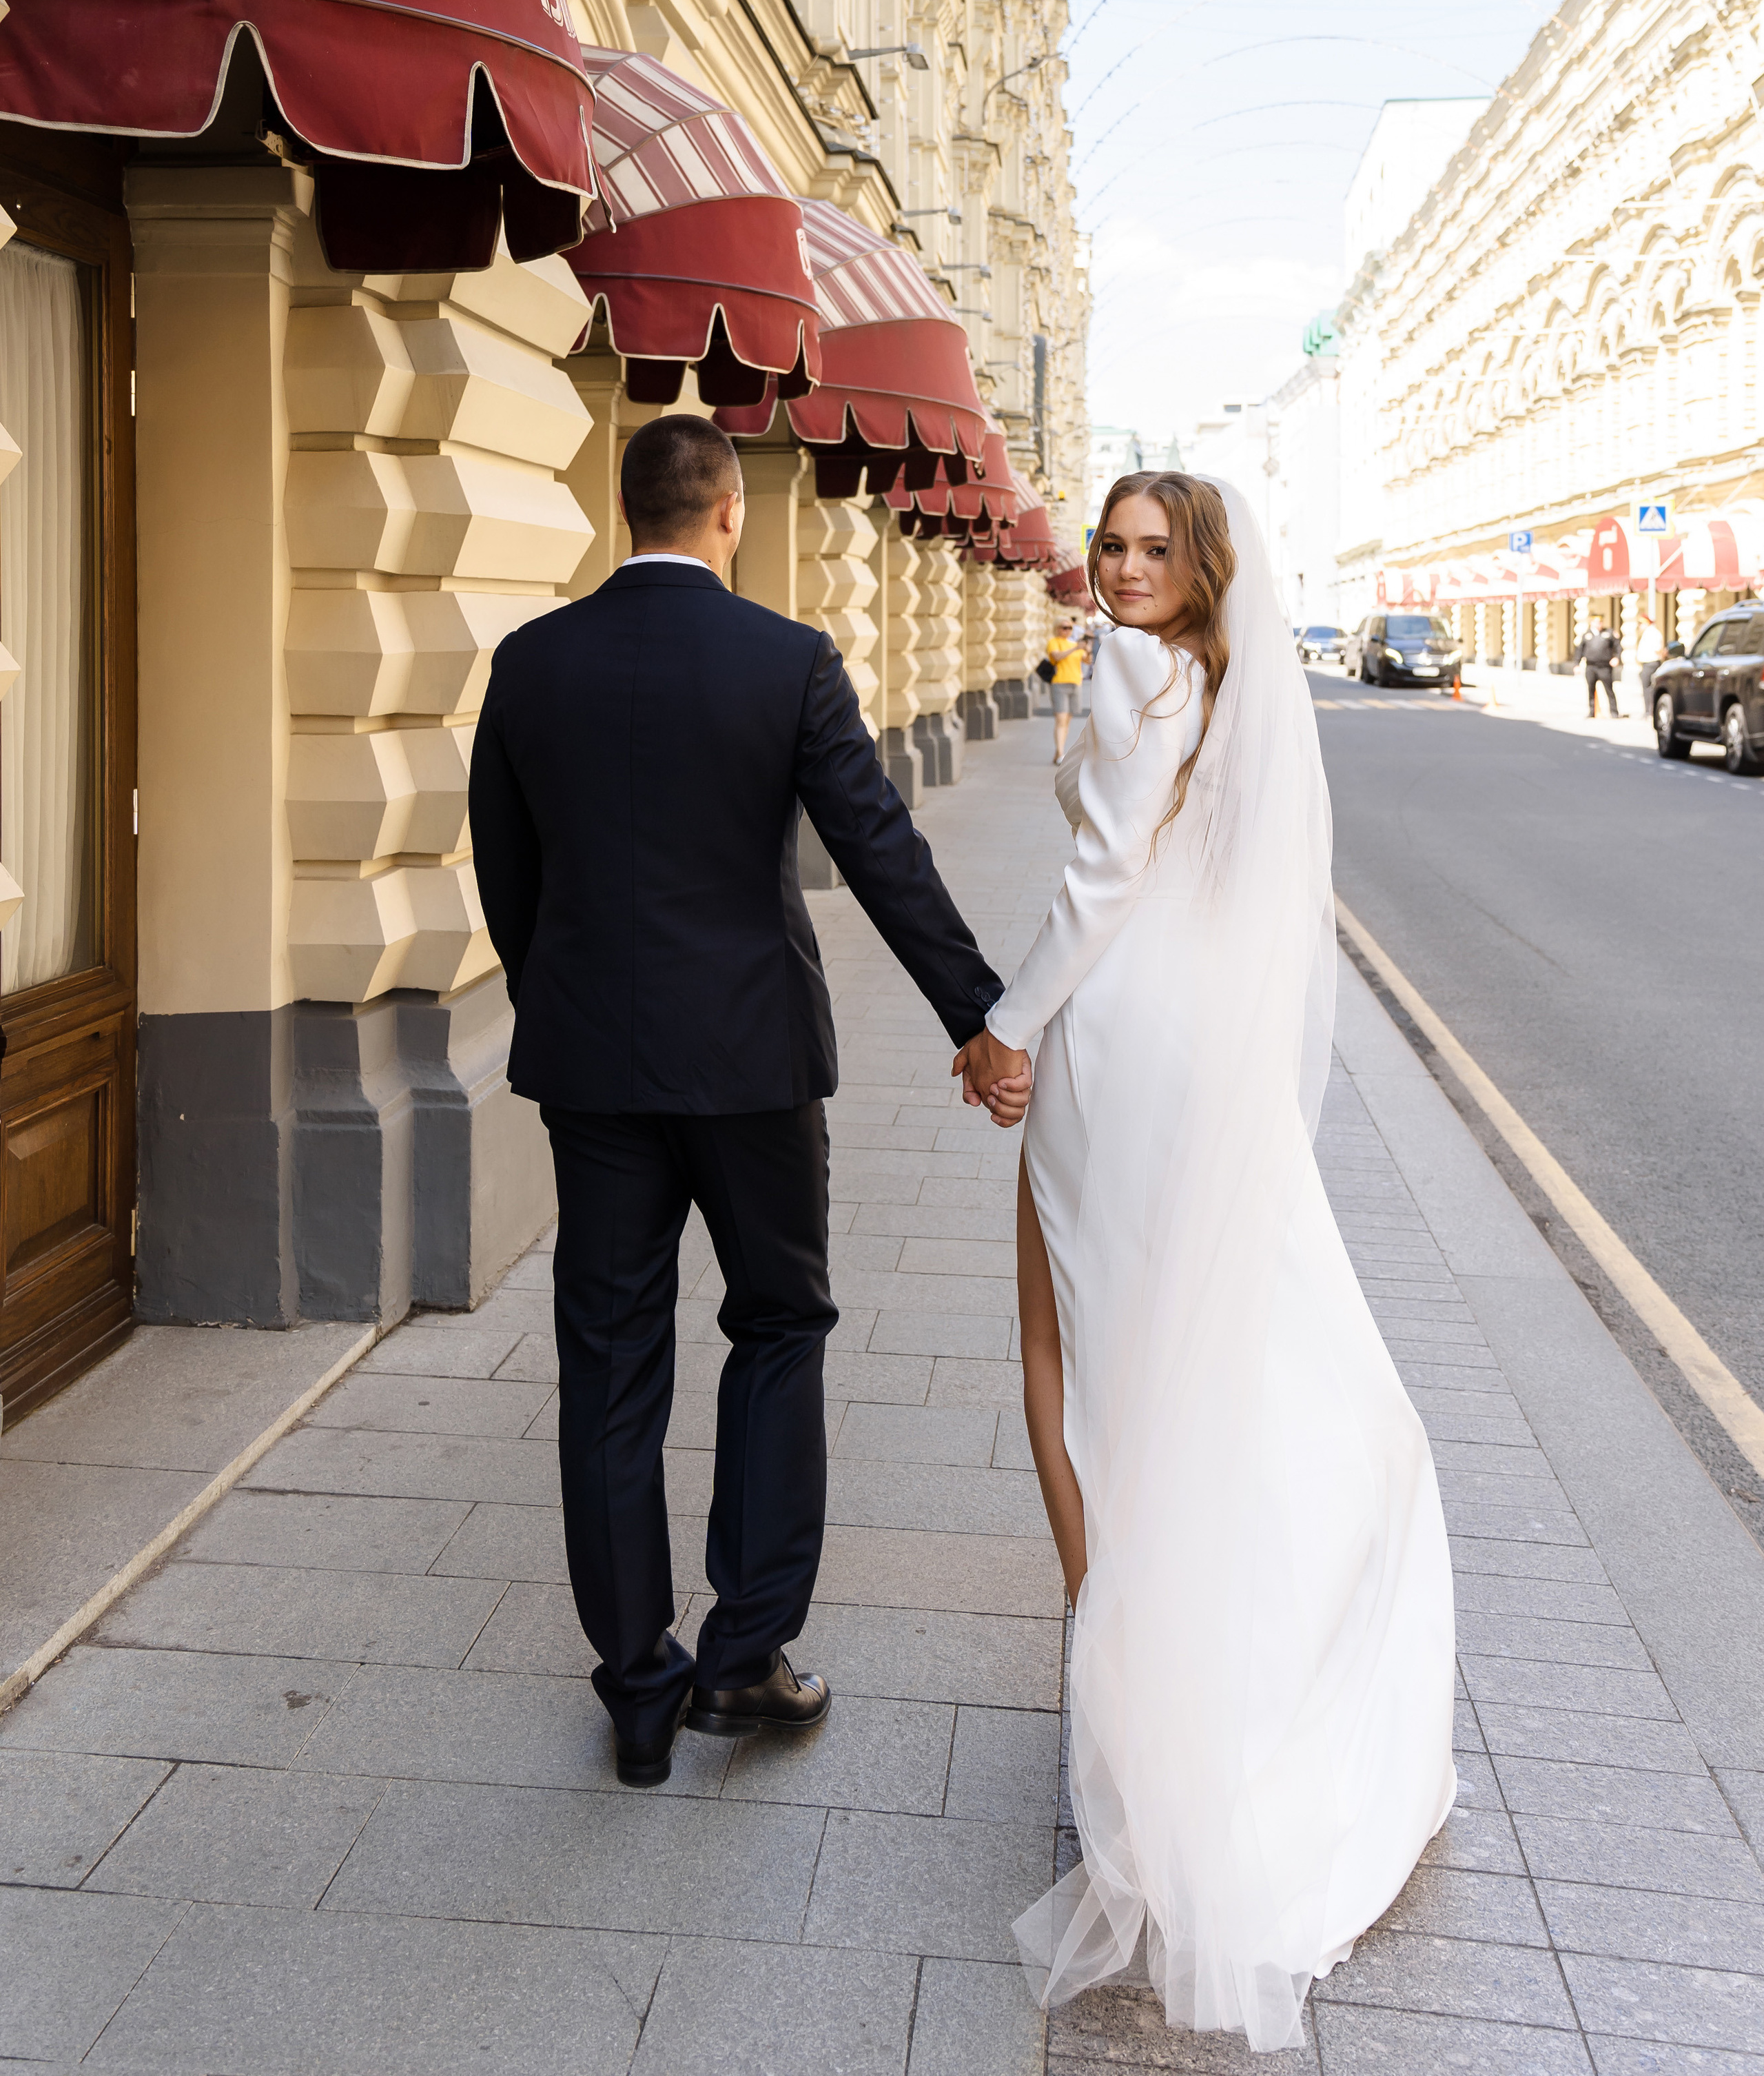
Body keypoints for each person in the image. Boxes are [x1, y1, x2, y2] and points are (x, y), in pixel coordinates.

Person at [470, 414, 1030, 1789]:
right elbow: (878, 846)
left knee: (609, 1360)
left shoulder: (532, 661)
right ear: (729, 513)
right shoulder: (786, 660)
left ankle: (636, 1688)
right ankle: (744, 1656)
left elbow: (505, 867)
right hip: (752, 1065)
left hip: (595, 1070)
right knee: (778, 1324)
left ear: (627, 511)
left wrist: (564, 1000)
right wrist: (979, 1018)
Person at [975, 470, 1456, 2054]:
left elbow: (1099, 878)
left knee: (1064, 1353)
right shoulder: (1211, 677)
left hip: (1114, 1036)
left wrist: (1004, 1025)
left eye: (1148, 549)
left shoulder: (1134, 666)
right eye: (1106, 546)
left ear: (1198, 568)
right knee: (1188, 1347)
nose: (1119, 569)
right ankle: (1180, 1670)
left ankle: (1119, 1680)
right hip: (1197, 1051)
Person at [1044, 617, 1086, 762]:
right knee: (1060, 719)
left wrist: (1087, 649)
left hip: (1076, 684)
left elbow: (1086, 660)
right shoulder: (1054, 642)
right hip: (1059, 684)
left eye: (1070, 628)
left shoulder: (1075, 644)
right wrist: (1075, 648)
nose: (1067, 630)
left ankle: (1059, 751)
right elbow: (1057, 656)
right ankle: (1061, 753)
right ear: (1057, 629)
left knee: (1067, 720)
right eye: (1064, 627)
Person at [1573, 616, 1621, 718]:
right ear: (1592, 623)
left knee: (1609, 690)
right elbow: (1579, 650)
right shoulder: (1587, 635)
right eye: (1596, 622)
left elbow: (1618, 646)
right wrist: (1577, 664)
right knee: (1591, 690)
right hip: (1591, 666)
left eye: (1600, 622)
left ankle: (1614, 712)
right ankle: (1592, 712)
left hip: (1605, 667)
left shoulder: (1609, 633)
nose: (1599, 624)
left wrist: (1617, 658)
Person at [1637, 608, 1667, 717]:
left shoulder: (1652, 633)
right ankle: (1649, 711)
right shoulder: (1648, 633)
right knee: (1648, 688)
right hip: (1647, 664)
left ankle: (1649, 711)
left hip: (1651, 663)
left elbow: (1658, 649)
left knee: (1648, 688)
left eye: (1641, 624)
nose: (1639, 626)